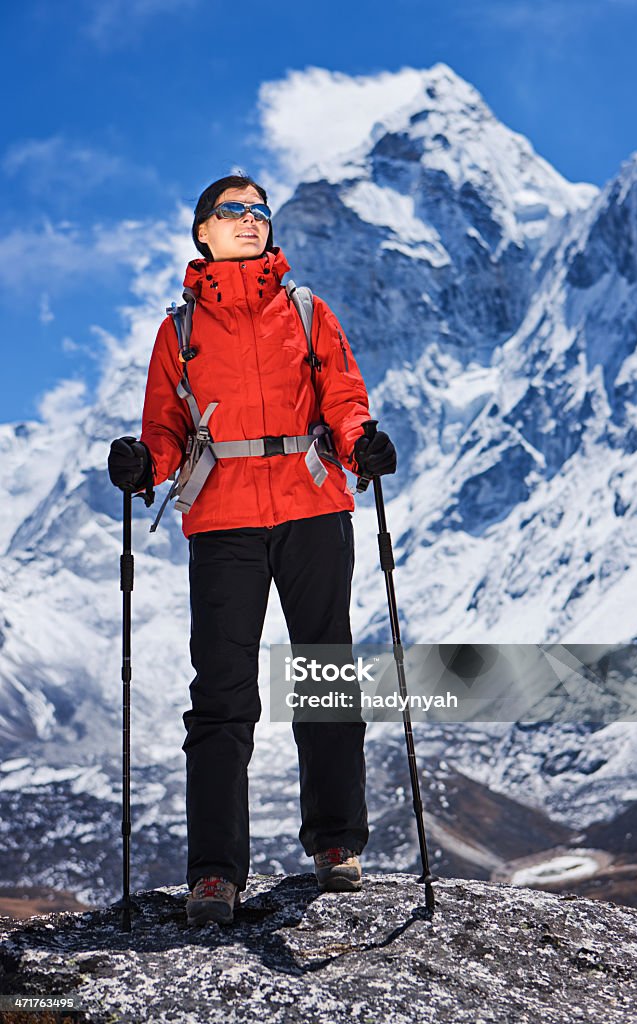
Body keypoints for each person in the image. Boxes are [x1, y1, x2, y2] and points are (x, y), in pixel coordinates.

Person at [108, 173, 396, 928]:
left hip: (312, 506)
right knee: (223, 695)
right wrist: (146, 462)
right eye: (232, 211)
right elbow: (166, 427)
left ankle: (336, 845)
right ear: (202, 230)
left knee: (325, 671)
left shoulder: (306, 311)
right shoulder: (177, 332)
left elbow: (342, 395)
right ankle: (214, 875)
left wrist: (361, 439)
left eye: (260, 212)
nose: (250, 220)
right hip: (224, 518)